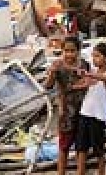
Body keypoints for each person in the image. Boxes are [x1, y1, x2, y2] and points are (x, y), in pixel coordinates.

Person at [44, 35, 90, 175]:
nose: (70, 54)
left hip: (83, 110)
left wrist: (80, 84)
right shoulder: (57, 65)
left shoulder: (83, 65)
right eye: (66, 50)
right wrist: (52, 73)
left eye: (73, 50)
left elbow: (87, 83)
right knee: (64, 146)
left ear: (78, 51)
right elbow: (48, 86)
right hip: (66, 112)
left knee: (81, 146)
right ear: (62, 50)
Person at [75, 42, 106, 175]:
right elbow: (84, 84)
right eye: (93, 56)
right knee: (81, 147)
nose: (94, 59)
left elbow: (104, 78)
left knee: (98, 150)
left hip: (97, 116)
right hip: (85, 112)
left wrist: (88, 75)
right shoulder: (93, 72)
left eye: (97, 56)